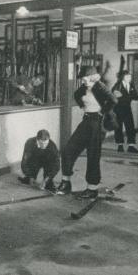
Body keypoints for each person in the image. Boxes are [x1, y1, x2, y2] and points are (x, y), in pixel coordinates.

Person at [57, 66, 117, 199]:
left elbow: (113, 100)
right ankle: (66, 182)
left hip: (97, 123)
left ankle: (92, 189)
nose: (82, 80)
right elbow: (76, 94)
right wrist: (82, 105)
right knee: (68, 150)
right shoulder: (84, 88)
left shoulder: (100, 87)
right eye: (82, 78)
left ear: (92, 76)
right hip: (86, 121)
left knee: (93, 156)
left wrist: (102, 111)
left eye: (84, 78)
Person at [112, 70, 138, 154]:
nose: (130, 78)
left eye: (130, 76)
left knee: (130, 127)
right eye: (128, 76)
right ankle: (120, 146)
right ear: (123, 77)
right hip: (118, 109)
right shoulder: (118, 86)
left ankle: (131, 146)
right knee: (118, 127)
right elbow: (116, 96)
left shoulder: (131, 85)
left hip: (127, 109)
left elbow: (134, 96)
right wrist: (129, 97)